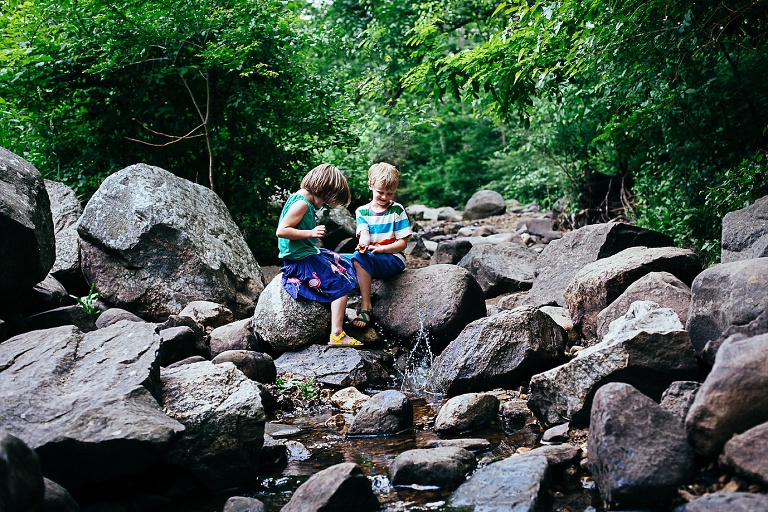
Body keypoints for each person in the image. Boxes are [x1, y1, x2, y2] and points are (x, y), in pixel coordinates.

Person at [276, 164, 363, 347]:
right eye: (326, 201)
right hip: (299, 260)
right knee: (341, 281)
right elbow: (281, 231)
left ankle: (337, 311)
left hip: (306, 253)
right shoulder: (301, 204)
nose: (323, 205)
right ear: (323, 190)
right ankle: (337, 334)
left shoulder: (299, 198)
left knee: (342, 263)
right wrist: (311, 233)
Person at [348, 162, 412, 329]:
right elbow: (364, 235)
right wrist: (363, 245)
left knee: (360, 259)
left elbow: (402, 244)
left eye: (389, 194)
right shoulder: (362, 211)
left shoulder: (397, 210)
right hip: (371, 256)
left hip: (393, 258)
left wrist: (382, 249)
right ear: (371, 185)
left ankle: (365, 306)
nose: (384, 197)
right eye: (380, 193)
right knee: (342, 259)